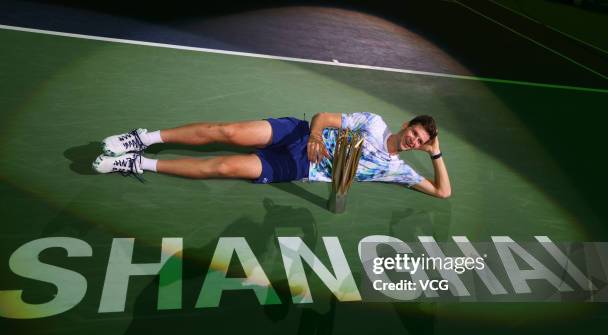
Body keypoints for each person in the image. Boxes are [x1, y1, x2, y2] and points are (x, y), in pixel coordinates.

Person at [92, 112, 451, 198]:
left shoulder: (395, 169)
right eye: (415, 134)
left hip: (297, 166)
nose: (413, 142)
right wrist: (314, 137)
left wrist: (437, 154)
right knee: (227, 133)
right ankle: (143, 137)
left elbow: (442, 192)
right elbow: (324, 117)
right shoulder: (373, 124)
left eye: (421, 142)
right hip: (297, 134)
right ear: (406, 127)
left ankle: (138, 162)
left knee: (222, 166)